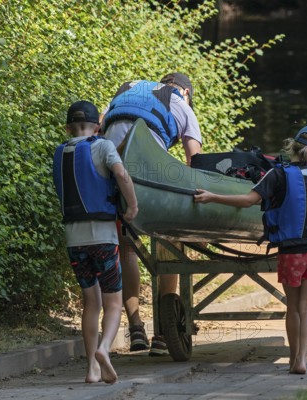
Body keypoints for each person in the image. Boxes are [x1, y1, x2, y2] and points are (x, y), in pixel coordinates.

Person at [194, 125, 307, 374]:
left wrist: (211, 196)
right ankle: (302, 359)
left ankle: (294, 360)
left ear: (291, 146)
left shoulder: (277, 175)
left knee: (292, 307)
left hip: (292, 252)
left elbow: (249, 200)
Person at [100, 72, 203, 356]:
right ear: (185, 93)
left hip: (111, 166)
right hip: (147, 173)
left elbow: (98, 128)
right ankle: (162, 334)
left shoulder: (126, 88)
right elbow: (194, 160)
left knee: (127, 247)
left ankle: (135, 327)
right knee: (172, 242)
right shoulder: (179, 102)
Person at [53, 100, 139, 384]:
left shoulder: (60, 152)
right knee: (113, 302)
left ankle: (91, 369)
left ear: (68, 127)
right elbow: (121, 175)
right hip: (103, 236)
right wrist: (132, 206)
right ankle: (104, 349)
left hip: (74, 239)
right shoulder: (102, 146)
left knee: (91, 302)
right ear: (98, 126)